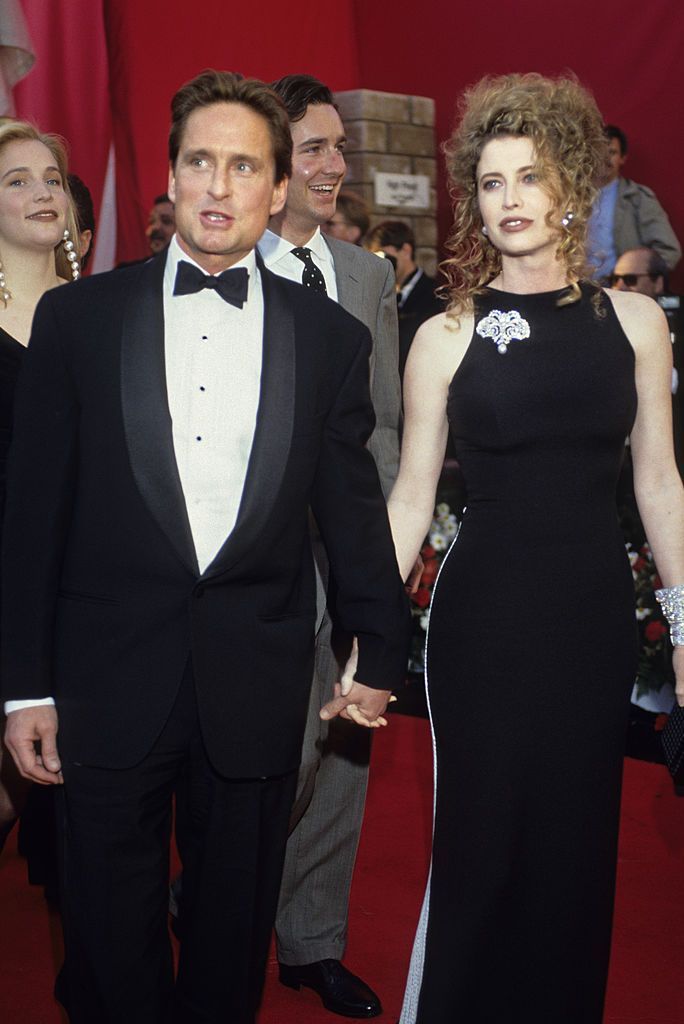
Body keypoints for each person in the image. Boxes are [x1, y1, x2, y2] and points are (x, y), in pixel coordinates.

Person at [1, 70, 410, 1024]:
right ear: (171, 176)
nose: (218, 187)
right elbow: (33, 520)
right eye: (199, 162)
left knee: (230, 936)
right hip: (104, 676)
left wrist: (378, 649)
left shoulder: (330, 337)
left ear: (277, 190)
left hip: (257, 679)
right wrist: (24, 683)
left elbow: (351, 512)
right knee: (108, 935)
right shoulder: (79, 322)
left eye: (243, 167)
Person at [387, 73, 684, 1023]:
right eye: (489, 181)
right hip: (483, 626)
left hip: (592, 621)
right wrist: (367, 629)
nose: (509, 199)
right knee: (482, 845)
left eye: (528, 176)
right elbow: (410, 493)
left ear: (570, 187)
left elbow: (660, 486)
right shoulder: (445, 333)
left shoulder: (635, 324)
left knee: (575, 850)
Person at [258, 73, 401, 1018]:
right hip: (261, 564)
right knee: (276, 757)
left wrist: (380, 552)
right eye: (313, 148)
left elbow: (385, 421)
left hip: (350, 556)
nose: (333, 166)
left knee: (345, 752)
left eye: (337, 149)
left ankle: (311, 941)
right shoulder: (227, 266)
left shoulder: (370, 277)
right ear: (273, 163)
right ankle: (232, 892)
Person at [0, 120, 80, 854]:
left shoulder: (103, 314)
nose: (42, 191)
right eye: (17, 180)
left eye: (52, 177)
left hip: (79, 592)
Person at [588, 124, 681, 280]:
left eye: (612, 152)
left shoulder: (638, 198)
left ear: (623, 158)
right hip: (576, 292)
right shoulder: (568, 197)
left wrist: (636, 279)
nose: (605, 158)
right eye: (600, 151)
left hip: (622, 293)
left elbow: (669, 251)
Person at [366, 219, 444, 379]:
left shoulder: (438, 296)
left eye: (382, 256)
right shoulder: (377, 296)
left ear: (406, 250)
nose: (378, 265)